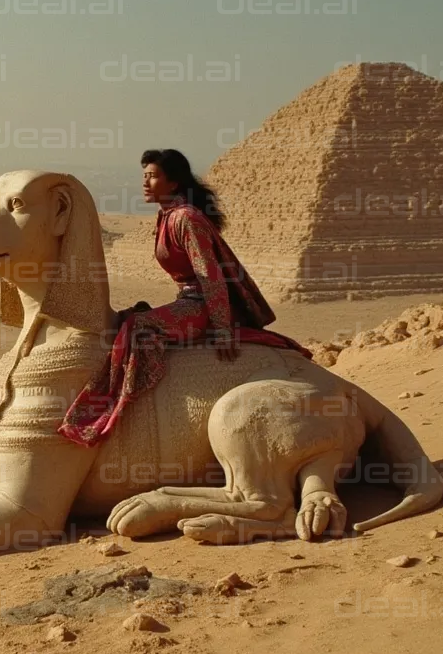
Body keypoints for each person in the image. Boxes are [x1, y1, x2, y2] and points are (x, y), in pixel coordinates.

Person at [57, 148, 309, 447]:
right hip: (188, 300)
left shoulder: (185, 219)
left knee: (137, 328)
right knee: (126, 318)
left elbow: (210, 276)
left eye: (152, 177)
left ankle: (114, 410)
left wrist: (223, 329)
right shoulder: (167, 215)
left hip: (201, 305)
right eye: (144, 176)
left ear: (173, 183)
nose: (145, 183)